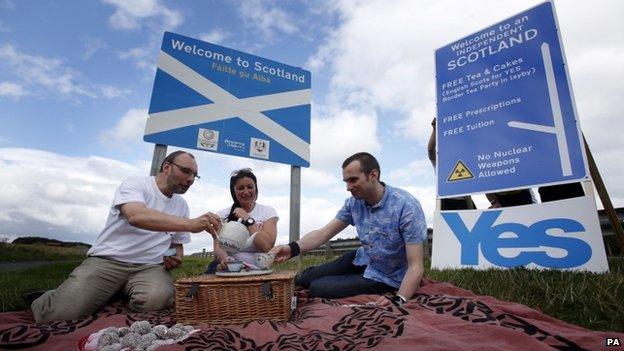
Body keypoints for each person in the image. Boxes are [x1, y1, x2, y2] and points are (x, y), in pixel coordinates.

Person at [31, 151, 222, 324]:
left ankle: (115, 290)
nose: (190, 179)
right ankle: (44, 298)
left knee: (158, 299)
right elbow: (136, 216)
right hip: (109, 261)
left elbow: (176, 245)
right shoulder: (136, 184)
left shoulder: (181, 205)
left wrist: (174, 256)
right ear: (166, 167)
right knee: (55, 315)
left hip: (149, 267)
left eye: (194, 175)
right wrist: (190, 224)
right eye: (186, 171)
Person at [271, 152, 427, 307]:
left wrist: (400, 299)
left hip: (388, 275)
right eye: (346, 181)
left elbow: (416, 266)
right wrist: (291, 249)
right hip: (364, 258)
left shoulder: (406, 206)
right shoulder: (353, 203)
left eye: (353, 180)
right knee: (304, 279)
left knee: (318, 287)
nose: (348, 187)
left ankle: (371, 285)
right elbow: (324, 233)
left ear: (373, 175)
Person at [205, 168, 278, 273]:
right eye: (240, 188)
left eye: (250, 187)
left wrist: (247, 218)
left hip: (257, 268)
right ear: (233, 191)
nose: (246, 192)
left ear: (255, 188)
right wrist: (225, 259)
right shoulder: (222, 215)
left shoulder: (268, 212)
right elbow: (218, 247)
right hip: (231, 267)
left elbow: (267, 247)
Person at [427, 117, 476, 210]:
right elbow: (430, 150)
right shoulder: (440, 164)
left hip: (466, 202)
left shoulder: (465, 162)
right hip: (446, 202)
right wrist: (435, 129)